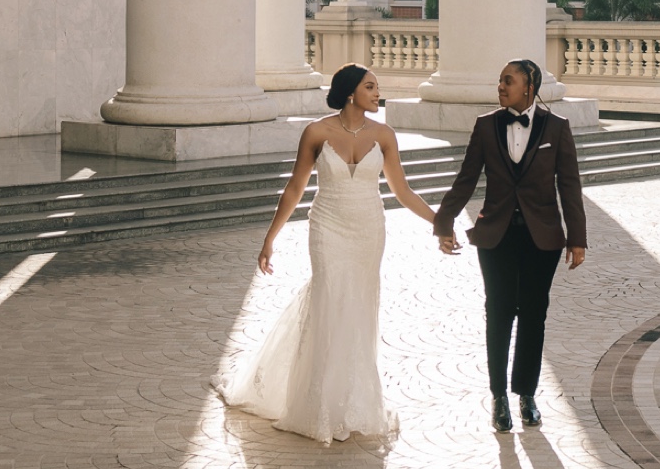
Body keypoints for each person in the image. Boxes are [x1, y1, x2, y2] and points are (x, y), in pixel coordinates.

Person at [217, 65, 436, 446]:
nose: (376, 92)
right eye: (370, 86)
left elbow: (402, 191)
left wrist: (440, 222)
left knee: (361, 306)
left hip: (368, 229)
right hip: (328, 226)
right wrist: (270, 239)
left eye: (376, 87)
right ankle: (318, 405)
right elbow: (295, 187)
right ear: (350, 93)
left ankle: (355, 403)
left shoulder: (384, 135)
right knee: (330, 298)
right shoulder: (317, 132)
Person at [434, 58, 587, 433]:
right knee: (499, 314)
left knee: (534, 316)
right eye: (500, 81)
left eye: (508, 81)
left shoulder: (558, 127)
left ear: (529, 87)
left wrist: (577, 238)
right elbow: (466, 177)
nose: (500, 87)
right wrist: (444, 221)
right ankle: (499, 397)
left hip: (543, 239)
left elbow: (569, 185)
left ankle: (526, 394)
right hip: (495, 237)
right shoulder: (486, 126)